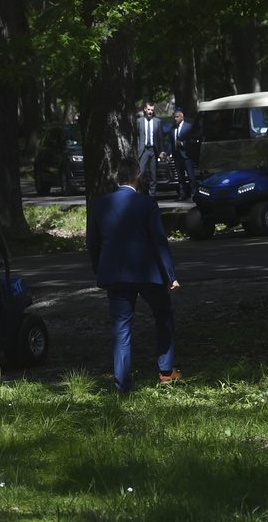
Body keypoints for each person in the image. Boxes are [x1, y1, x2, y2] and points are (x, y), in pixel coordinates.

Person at [86, 158, 182, 393]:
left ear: (117, 177)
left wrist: (100, 270)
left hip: (116, 274)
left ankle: (122, 386)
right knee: (163, 315)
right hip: (147, 272)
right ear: (137, 176)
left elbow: (92, 243)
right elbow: (159, 241)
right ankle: (166, 371)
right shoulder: (147, 203)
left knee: (121, 328)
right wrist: (170, 275)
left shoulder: (100, 204)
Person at [135, 101, 165, 197]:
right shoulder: (139, 121)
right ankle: (140, 194)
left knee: (153, 175)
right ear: (145, 109)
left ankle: (152, 196)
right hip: (143, 150)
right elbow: (136, 136)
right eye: (148, 109)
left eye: (152, 110)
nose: (150, 112)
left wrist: (161, 151)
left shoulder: (158, 122)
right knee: (141, 174)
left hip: (153, 151)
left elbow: (161, 138)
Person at [170, 109, 196, 200]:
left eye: (177, 117)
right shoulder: (172, 128)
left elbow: (193, 141)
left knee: (191, 176)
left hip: (186, 155)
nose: (175, 119)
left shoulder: (188, 127)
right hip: (177, 156)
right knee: (180, 177)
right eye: (174, 117)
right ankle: (183, 194)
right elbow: (171, 142)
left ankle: (194, 193)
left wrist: (182, 144)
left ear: (182, 117)